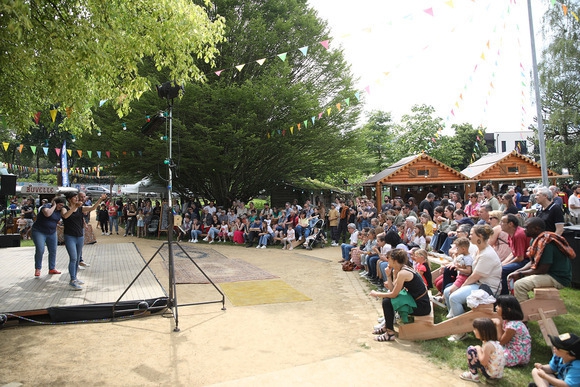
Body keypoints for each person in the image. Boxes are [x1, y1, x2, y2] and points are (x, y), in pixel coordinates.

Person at [444, 224, 502, 337]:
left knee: (454, 297)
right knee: (447, 291)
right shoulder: (479, 249)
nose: (469, 236)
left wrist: (461, 287)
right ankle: (454, 320)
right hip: (478, 284)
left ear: (479, 237)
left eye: (471, 234)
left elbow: (475, 276)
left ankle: (461, 332)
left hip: (487, 288)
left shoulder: (487, 254)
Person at [369, 248, 431, 342]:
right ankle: (387, 327)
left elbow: (393, 294)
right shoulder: (401, 270)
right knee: (387, 300)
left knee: (387, 301)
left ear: (394, 260)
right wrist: (389, 275)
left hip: (422, 306)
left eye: (388, 258)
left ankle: (389, 333)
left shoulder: (403, 273)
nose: (387, 260)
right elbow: (393, 289)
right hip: (416, 302)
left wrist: (377, 293)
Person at [508, 217, 574, 302]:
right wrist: (518, 271)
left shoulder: (546, 243)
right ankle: (515, 305)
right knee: (511, 277)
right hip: (548, 273)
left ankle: (525, 312)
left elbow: (542, 269)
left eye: (527, 227)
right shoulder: (535, 240)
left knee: (520, 285)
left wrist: (521, 274)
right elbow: (533, 262)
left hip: (558, 277)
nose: (524, 230)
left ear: (537, 229)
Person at [61, 191, 106, 290]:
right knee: (73, 258)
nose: (77, 199)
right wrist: (74, 207)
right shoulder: (65, 208)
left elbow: (92, 208)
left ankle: (75, 278)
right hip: (70, 236)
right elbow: (65, 216)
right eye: (74, 197)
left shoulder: (80, 208)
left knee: (77, 259)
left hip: (79, 236)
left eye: (77, 197)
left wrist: (100, 199)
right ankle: (72, 280)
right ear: (69, 199)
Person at [459, 318, 505, 383]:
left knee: (471, 350)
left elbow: (483, 362)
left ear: (482, 332)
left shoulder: (488, 346)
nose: (473, 331)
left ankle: (473, 375)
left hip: (490, 375)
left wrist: (478, 349)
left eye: (475, 329)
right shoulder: (495, 343)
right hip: (498, 374)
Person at [30, 196, 66, 277]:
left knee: (53, 250)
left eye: (62, 205)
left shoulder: (59, 211)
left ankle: (52, 268)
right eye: (60, 205)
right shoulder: (46, 207)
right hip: (39, 231)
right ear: (55, 203)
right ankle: (38, 268)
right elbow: (47, 214)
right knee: (40, 249)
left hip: (52, 232)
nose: (61, 207)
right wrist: (53, 206)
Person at [492, 295, 531, 367]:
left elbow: (501, 342)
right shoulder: (508, 321)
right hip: (510, 349)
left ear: (508, 309)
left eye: (499, 306)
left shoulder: (512, 326)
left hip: (517, 355)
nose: (496, 307)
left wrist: (498, 324)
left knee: (492, 353)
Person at [499, 214, 531, 295]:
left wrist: (503, 266)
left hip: (527, 261)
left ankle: (505, 297)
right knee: (500, 267)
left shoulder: (518, 234)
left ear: (510, 224)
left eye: (503, 222)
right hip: (520, 259)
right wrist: (503, 263)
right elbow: (513, 253)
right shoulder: (510, 234)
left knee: (502, 270)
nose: (500, 224)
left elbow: (520, 258)